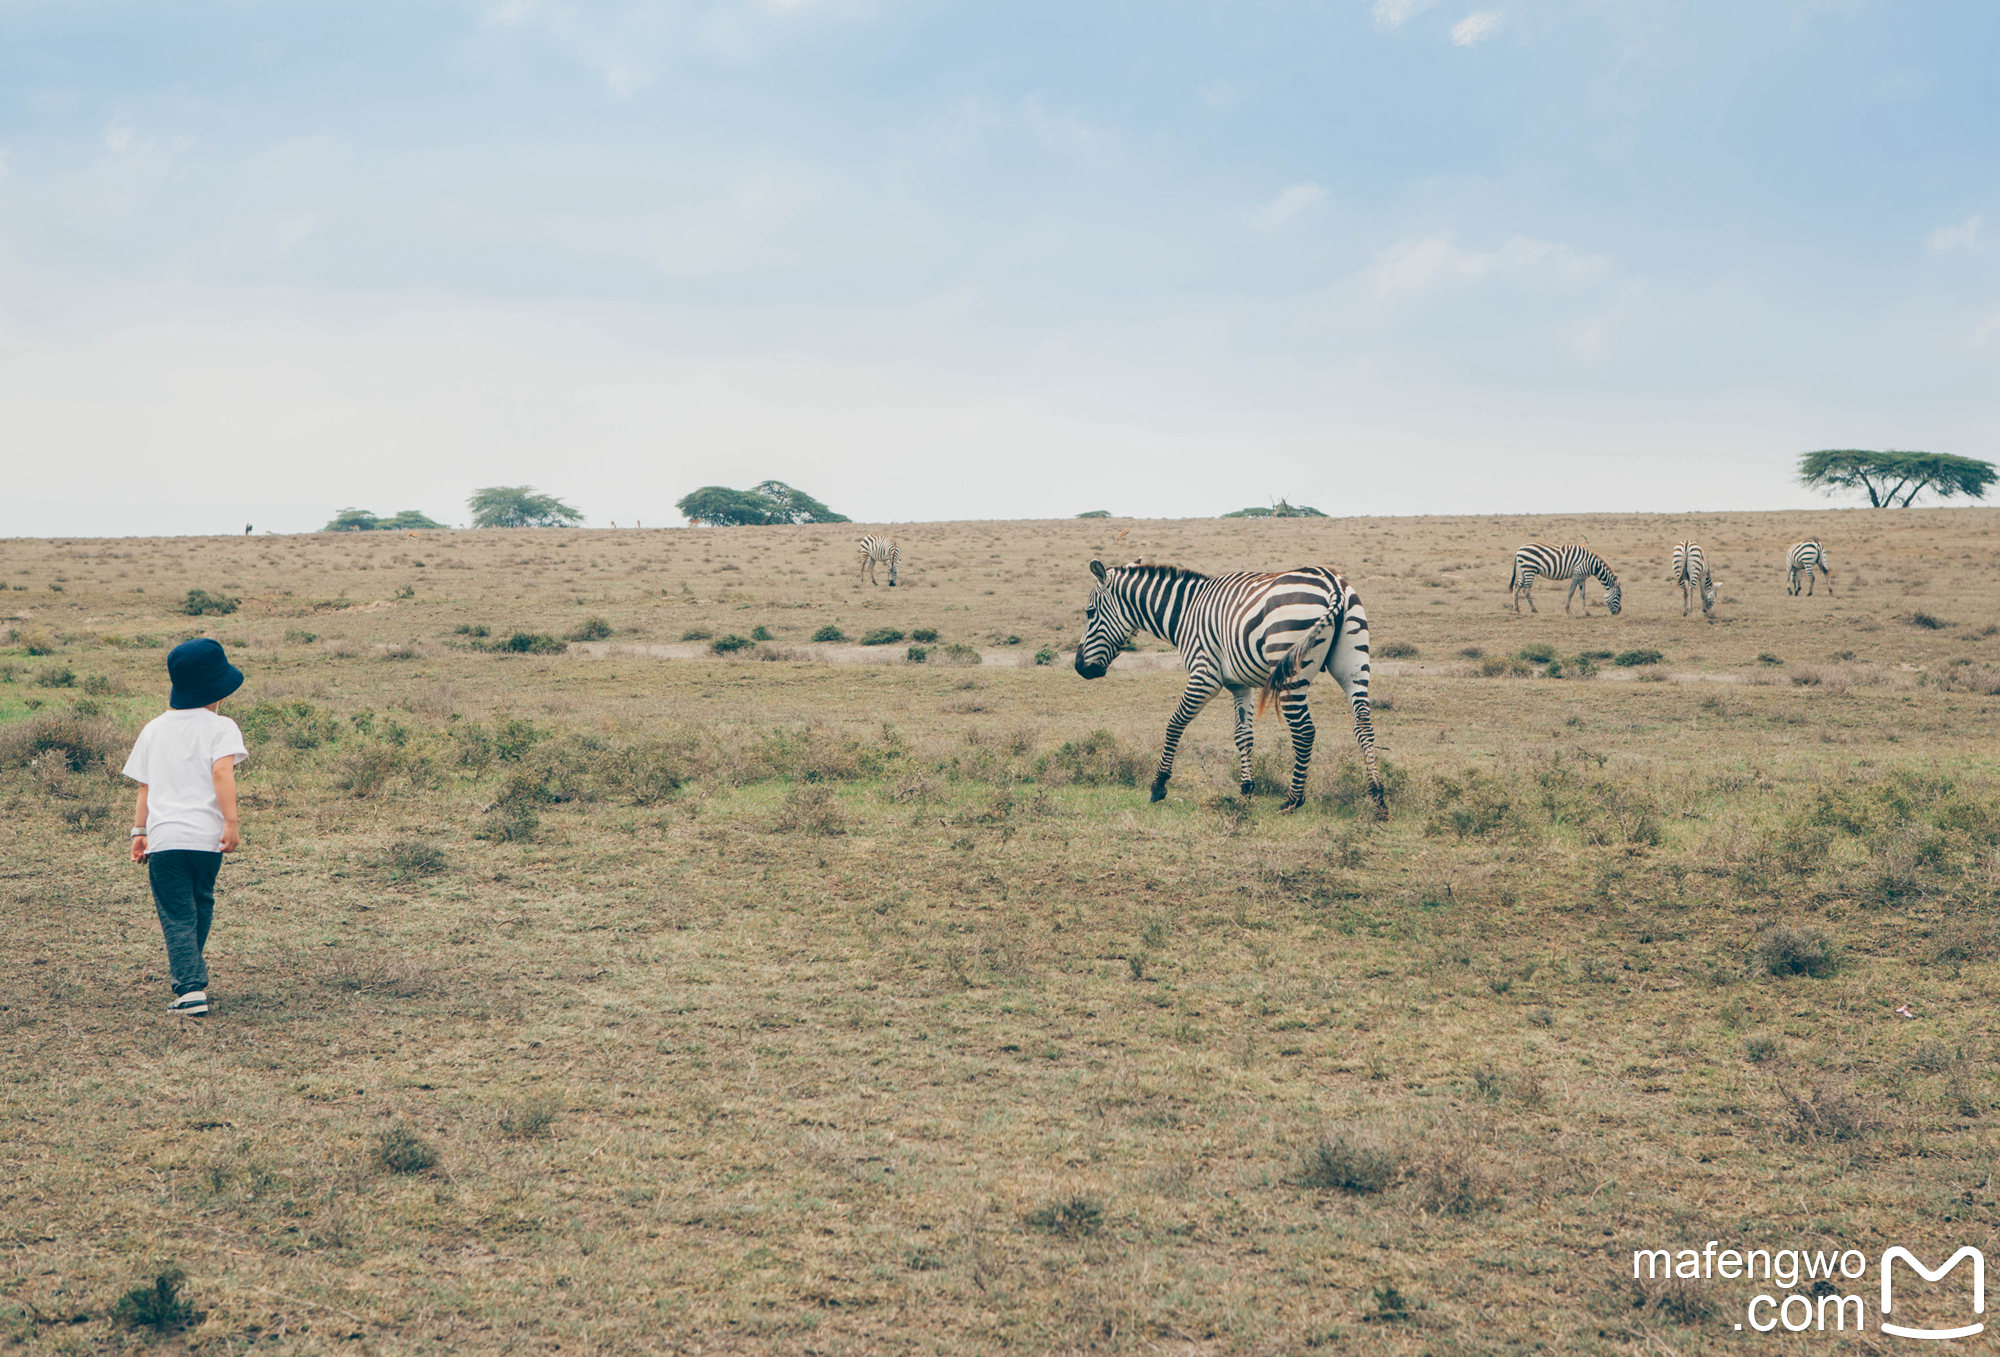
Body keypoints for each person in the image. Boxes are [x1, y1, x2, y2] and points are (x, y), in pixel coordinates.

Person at [123, 639, 248, 1016]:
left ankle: (189, 986)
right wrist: (231, 821)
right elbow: (221, 772)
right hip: (207, 840)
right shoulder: (222, 727)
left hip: (164, 840)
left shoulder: (154, 729)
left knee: (177, 912)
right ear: (218, 690)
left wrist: (138, 831)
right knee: (200, 903)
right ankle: (190, 976)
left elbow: (146, 786)